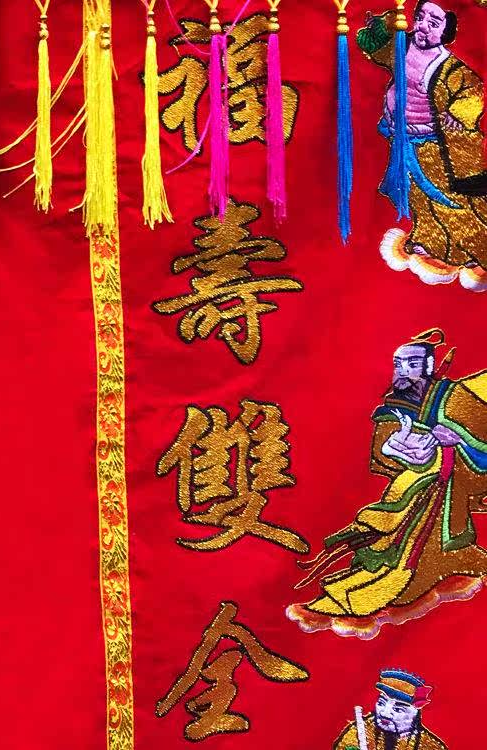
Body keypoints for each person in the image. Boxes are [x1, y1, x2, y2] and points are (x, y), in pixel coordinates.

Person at [287, 329, 487, 639]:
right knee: (411, 492)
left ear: (429, 366)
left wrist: (452, 442)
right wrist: (411, 445)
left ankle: (437, 562)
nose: (404, 372)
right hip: (419, 480)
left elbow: (479, 443)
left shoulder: (454, 396)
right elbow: (384, 456)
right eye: (398, 364)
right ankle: (391, 575)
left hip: (455, 478)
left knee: (423, 491)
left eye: (412, 364)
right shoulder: (393, 405)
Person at [357, 1, 487, 290]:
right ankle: (429, 241)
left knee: (448, 198)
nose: (423, 26)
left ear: (446, 32)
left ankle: (472, 246)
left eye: (434, 23)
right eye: (420, 17)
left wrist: (459, 113)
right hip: (404, 139)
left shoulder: (452, 68)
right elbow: (375, 47)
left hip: (436, 147)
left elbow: (472, 90)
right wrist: (378, 29)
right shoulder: (402, 48)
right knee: (418, 198)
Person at [333, 669, 446, 750]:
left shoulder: (430, 746)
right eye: (381, 703)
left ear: (415, 713)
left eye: (398, 709)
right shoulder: (358, 732)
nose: (385, 713)